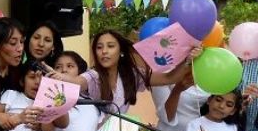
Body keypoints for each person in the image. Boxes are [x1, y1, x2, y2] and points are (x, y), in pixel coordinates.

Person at [49, 30, 193, 112]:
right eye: (99, 47)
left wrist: (187, 59)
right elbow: (77, 82)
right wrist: (59, 76)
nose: (104, 51)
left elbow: (169, 78)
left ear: (121, 51)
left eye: (110, 46)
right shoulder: (93, 75)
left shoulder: (133, 75)